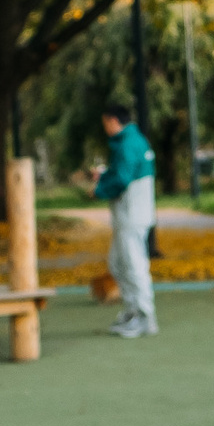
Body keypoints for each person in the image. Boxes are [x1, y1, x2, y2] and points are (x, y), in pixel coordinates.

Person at [90, 104, 156, 338]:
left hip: (132, 215)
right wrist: (104, 176)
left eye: (105, 123)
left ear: (112, 121)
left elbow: (122, 178)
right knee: (118, 264)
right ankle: (132, 311)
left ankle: (144, 316)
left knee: (134, 265)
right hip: (129, 215)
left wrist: (98, 190)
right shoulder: (132, 141)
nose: (105, 129)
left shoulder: (128, 143)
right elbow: (121, 171)